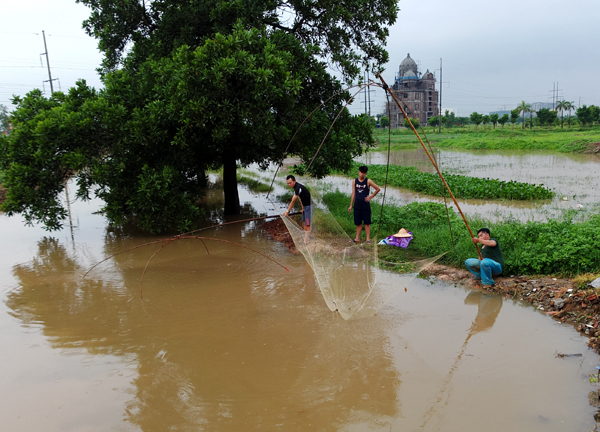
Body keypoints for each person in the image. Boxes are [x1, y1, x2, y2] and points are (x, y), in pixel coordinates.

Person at [347, 165, 380, 244]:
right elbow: (353, 193)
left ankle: (368, 239)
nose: (362, 174)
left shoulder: (368, 181)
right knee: (358, 223)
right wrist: (351, 205)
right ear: (359, 172)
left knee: (367, 222)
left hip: (365, 206)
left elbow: (377, 189)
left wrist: (370, 197)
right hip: (357, 205)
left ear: (365, 174)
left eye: (363, 173)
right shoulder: (354, 181)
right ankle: (357, 238)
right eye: (361, 172)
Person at [284, 175, 312, 243]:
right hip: (305, 207)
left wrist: (287, 211)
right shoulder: (296, 188)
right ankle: (306, 237)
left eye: (290, 183)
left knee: (308, 223)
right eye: (288, 183)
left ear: (294, 181)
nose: (289, 184)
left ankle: (306, 240)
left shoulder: (298, 188)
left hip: (308, 206)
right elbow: (301, 198)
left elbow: (293, 201)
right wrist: (302, 208)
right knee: (303, 222)